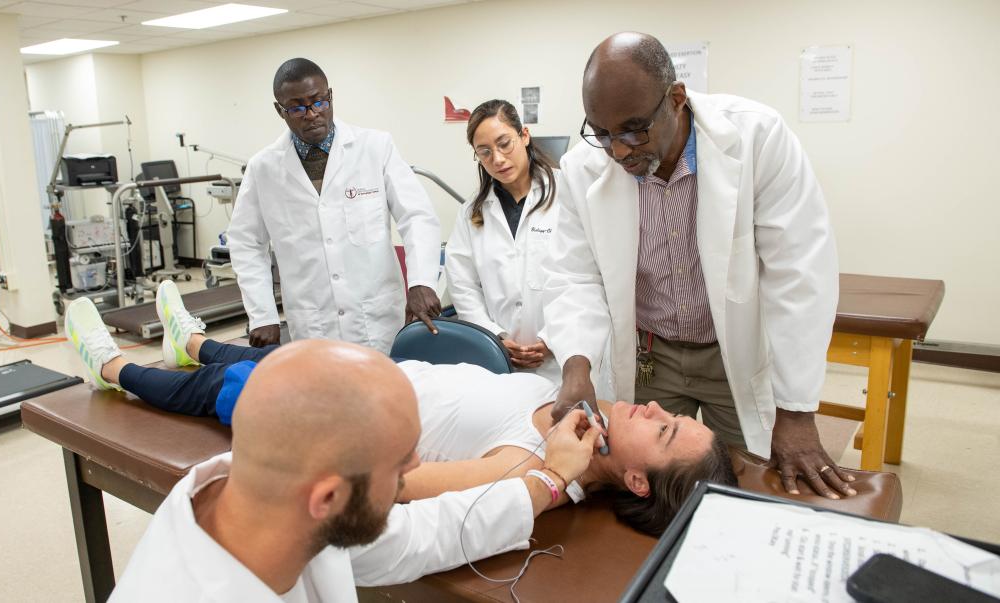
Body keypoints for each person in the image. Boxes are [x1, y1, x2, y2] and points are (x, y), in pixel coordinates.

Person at [64, 281, 734, 537]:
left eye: (665, 426)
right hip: (370, 374)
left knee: (228, 389)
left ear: (639, 480)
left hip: (335, 419)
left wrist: (554, 477)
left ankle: (112, 365)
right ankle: (191, 339)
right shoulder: (579, 407)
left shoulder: (536, 470)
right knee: (268, 358)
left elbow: (401, 486)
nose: (650, 405)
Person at [65, 299, 601, 601]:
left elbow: (422, 533)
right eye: (400, 463)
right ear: (328, 497)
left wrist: (551, 481)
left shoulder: (269, 504)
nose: (415, 469)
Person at [543, 32, 856, 500]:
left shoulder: (756, 137)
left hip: (734, 353)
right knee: (651, 489)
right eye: (602, 133)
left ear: (676, 99)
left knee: (755, 476)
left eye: (633, 129)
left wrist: (795, 413)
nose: (619, 151)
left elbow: (799, 273)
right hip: (653, 357)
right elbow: (573, 274)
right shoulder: (582, 166)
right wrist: (575, 366)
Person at [229, 57, 442, 354]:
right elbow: (246, 242)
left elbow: (416, 216)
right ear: (280, 110)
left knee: (386, 395)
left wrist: (421, 281)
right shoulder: (263, 168)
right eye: (297, 107)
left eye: (319, 101)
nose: (312, 113)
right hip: (313, 322)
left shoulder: (375, 147)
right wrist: (262, 314)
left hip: (378, 320)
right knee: (325, 397)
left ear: (330, 96)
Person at [445, 99, 572, 387]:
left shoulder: (567, 193)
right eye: (485, 152)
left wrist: (553, 338)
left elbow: (586, 276)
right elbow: (463, 286)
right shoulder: (471, 213)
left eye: (505, 144)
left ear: (524, 135)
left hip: (564, 357)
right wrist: (494, 336)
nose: (498, 159)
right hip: (503, 361)